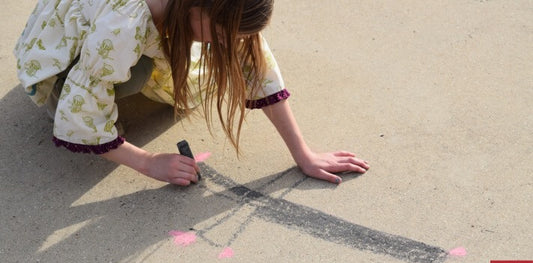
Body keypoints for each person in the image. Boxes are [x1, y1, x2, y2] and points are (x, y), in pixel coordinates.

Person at [14, 0, 369, 186]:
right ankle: (57, 88)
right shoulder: (122, 25)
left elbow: (256, 64)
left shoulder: (208, 7)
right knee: (130, 75)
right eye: (224, 32)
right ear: (199, 9)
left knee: (174, 69)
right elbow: (86, 104)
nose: (231, 44)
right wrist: (148, 162)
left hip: (137, 28)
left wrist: (303, 153)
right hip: (65, 45)